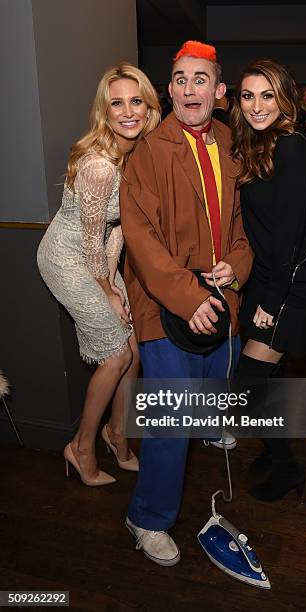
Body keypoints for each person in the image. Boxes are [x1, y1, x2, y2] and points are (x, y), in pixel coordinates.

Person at [120, 40, 253, 566]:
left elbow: (241, 231)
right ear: (168, 90)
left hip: (220, 306)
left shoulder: (230, 144)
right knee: (170, 420)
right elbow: (140, 238)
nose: (188, 88)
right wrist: (187, 294)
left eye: (200, 79)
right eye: (179, 79)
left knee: (209, 395)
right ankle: (147, 517)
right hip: (168, 307)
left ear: (219, 93)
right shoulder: (148, 151)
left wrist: (235, 269)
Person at [37, 62, 161, 486]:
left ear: (148, 107)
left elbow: (119, 229)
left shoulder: (135, 156)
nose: (128, 111)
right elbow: (90, 238)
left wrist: (112, 281)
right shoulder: (100, 165)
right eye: (117, 104)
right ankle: (81, 447)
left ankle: (117, 434)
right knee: (115, 354)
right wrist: (107, 289)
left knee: (135, 351)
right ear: (105, 113)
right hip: (65, 257)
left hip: (95, 257)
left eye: (136, 101)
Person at [231, 59, 306, 501]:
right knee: (264, 378)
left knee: (246, 382)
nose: (257, 105)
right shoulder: (260, 144)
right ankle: (274, 452)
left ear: (284, 97)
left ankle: (288, 468)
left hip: (289, 283)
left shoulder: (291, 147)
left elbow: (291, 236)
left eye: (267, 95)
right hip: (272, 278)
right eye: (248, 95)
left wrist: (271, 298)